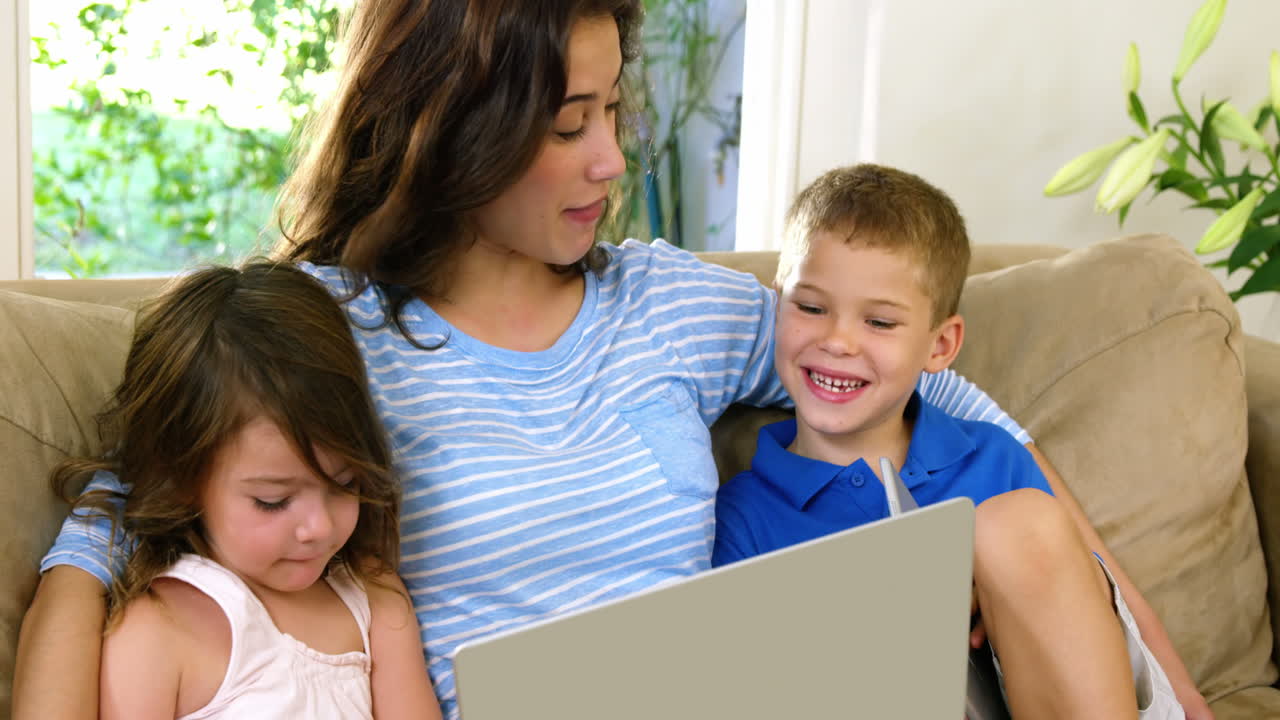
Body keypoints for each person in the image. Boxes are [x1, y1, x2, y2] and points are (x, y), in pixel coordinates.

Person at [11, 2, 1211, 719]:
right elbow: (115, 520)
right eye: (566, 124)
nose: (608, 161)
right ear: (456, 127)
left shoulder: (669, 304)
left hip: (734, 700)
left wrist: (1160, 660)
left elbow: (930, 386)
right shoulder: (329, 331)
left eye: (613, 112)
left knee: (1002, 528)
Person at [712, 163, 1186, 719]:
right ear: (777, 310)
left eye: (880, 323)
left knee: (1015, 527)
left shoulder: (991, 457)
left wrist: (991, 580)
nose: (837, 341)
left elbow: (1069, 612)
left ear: (940, 345)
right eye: (811, 308)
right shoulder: (742, 516)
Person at [47, 261, 441, 720]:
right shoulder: (157, 630)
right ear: (183, 480)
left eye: (345, 484)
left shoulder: (373, 596)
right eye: (273, 501)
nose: (319, 527)